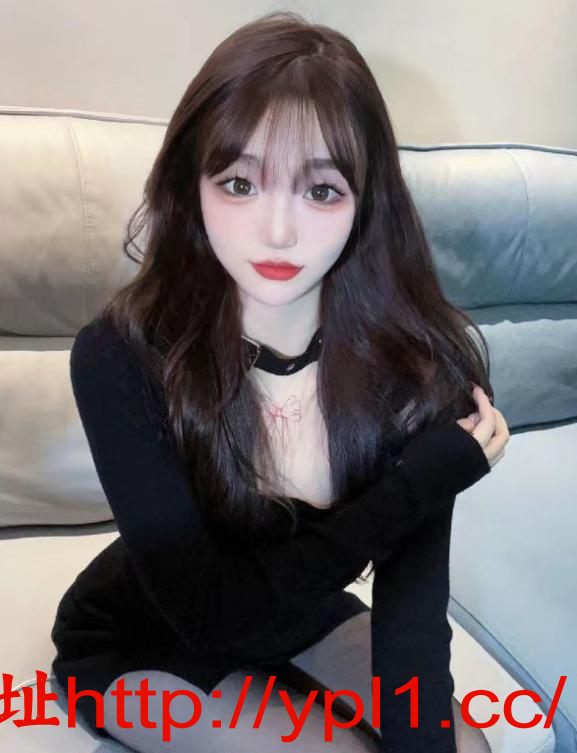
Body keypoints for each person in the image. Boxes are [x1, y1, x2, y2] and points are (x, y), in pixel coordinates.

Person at [51, 10, 509, 752]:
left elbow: (412, 624)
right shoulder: (121, 356)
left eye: (321, 191)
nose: (277, 232)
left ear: (367, 203)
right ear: (190, 187)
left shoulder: (418, 371)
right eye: (239, 183)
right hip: (142, 635)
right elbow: (210, 616)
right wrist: (412, 488)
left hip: (299, 612)